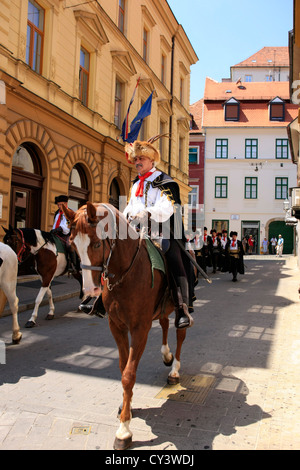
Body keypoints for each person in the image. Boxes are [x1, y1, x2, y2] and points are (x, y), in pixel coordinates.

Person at [81, 138, 194, 329]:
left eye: (141, 158)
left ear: (151, 160)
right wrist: (122, 218)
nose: (137, 162)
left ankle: (181, 307)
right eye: (135, 159)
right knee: (111, 251)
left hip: (161, 229)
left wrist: (148, 213)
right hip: (135, 229)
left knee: (173, 255)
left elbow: (168, 207)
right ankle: (100, 298)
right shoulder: (135, 184)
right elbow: (130, 207)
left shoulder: (164, 181)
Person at [52, 195, 77, 272]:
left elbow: (67, 226)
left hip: (67, 234)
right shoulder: (57, 213)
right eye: (58, 205)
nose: (59, 206)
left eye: (60, 204)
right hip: (56, 233)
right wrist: (53, 230)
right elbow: (56, 222)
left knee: (69, 245)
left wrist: (60, 228)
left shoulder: (69, 212)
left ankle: (74, 265)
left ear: (66, 204)